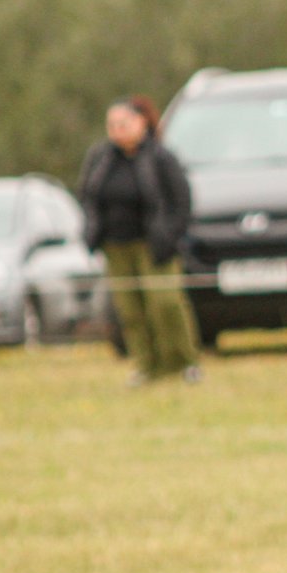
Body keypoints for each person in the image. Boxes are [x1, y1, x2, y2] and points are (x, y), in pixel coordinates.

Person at [77, 95, 201, 385]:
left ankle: (183, 362)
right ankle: (147, 366)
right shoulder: (101, 159)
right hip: (115, 246)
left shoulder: (160, 157)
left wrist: (169, 235)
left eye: (123, 123)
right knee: (131, 310)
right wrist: (91, 231)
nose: (117, 130)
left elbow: (181, 201)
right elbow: (87, 197)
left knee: (165, 304)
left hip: (154, 245)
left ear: (141, 122)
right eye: (112, 125)